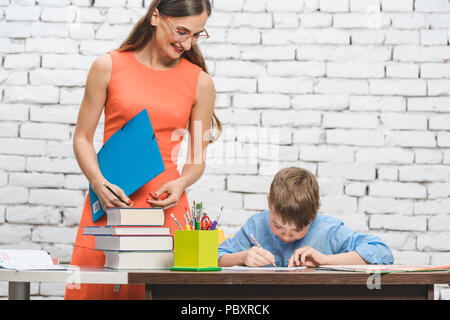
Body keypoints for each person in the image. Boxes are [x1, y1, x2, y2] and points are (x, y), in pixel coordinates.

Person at [65, 0, 221, 299]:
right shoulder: (108, 66)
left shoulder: (200, 83)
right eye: (182, 31)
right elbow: (82, 138)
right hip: (110, 204)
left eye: (197, 35)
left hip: (164, 209)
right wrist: (98, 183)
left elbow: (196, 160)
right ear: (155, 17)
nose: (187, 44)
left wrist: (181, 183)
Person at [218, 167, 394, 268]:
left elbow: (382, 253)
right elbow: (217, 257)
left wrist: (325, 260)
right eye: (277, 226)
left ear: (314, 214)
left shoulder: (329, 231)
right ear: (269, 203)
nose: (286, 236)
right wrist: (242, 257)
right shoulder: (255, 226)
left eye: (298, 229)